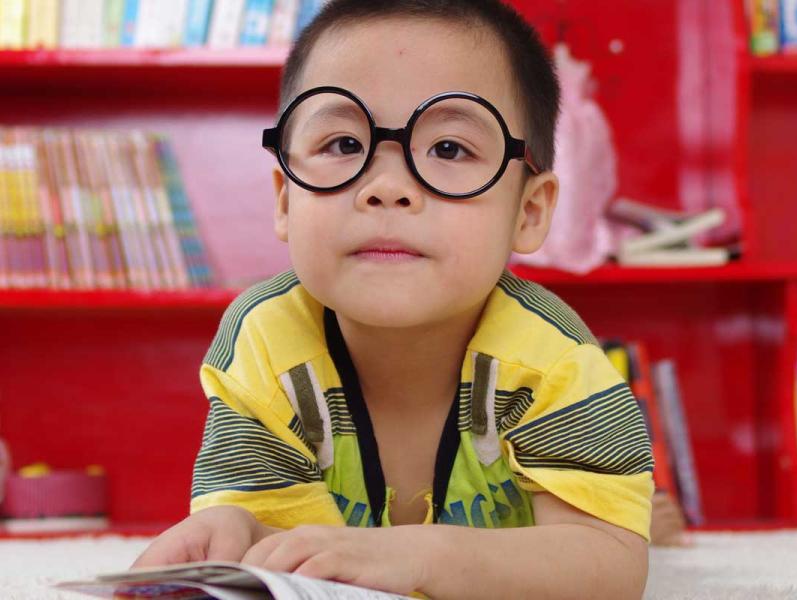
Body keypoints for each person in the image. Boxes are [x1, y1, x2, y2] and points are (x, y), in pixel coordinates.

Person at [134, 1, 654, 597]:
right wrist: (239, 530)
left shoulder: (553, 357)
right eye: (343, 144)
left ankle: (652, 513)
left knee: (633, 525)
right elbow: (299, 558)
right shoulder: (265, 343)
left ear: (529, 211)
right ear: (284, 198)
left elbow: (610, 568)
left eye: (449, 149)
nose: (386, 189)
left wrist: (427, 557)